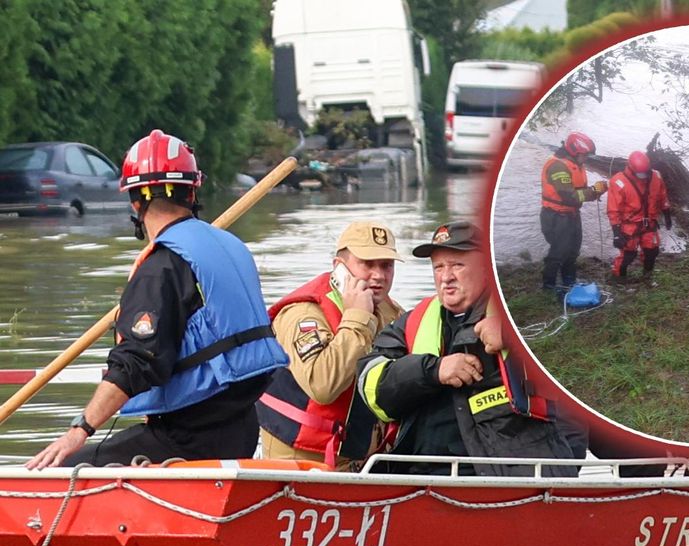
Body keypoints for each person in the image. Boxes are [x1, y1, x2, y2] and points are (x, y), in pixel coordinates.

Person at [26, 129, 287, 470]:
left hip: (187, 439)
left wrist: (80, 428)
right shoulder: (231, 247)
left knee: (63, 467)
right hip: (241, 428)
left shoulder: (161, 268)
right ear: (192, 192)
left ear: (135, 200)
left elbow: (135, 362)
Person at [355, 220, 577, 476]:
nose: (446, 276)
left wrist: (515, 335)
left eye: (457, 265)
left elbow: (579, 357)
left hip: (514, 478)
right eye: (438, 267)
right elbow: (371, 386)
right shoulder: (412, 322)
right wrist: (432, 371)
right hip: (425, 478)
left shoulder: (519, 311)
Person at [257, 221, 404, 468]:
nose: (378, 275)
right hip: (301, 460)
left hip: (362, 458)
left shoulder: (392, 312)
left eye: (386, 265)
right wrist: (357, 319)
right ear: (340, 268)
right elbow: (323, 384)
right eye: (367, 264)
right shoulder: (303, 314)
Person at [540, 131, 607, 293]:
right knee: (559, 251)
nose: (586, 158)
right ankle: (548, 285)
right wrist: (593, 191)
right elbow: (569, 196)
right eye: (585, 155)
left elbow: (578, 191)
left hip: (571, 215)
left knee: (573, 249)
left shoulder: (576, 164)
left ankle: (569, 279)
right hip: (556, 216)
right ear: (574, 151)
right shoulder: (558, 166)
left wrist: (596, 190)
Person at [607, 150, 672, 281]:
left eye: (646, 172)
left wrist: (667, 214)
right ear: (631, 169)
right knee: (628, 255)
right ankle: (619, 278)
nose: (643, 176)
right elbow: (613, 210)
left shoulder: (656, 176)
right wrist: (617, 233)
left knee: (652, 252)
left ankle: (647, 277)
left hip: (650, 223)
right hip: (630, 226)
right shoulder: (618, 182)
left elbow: (662, 196)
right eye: (640, 174)